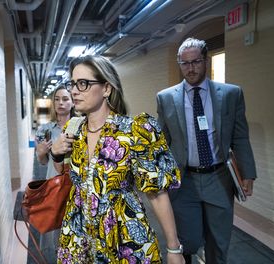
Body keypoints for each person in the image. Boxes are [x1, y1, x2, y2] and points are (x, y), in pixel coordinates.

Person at [50, 55, 185, 263]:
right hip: (78, 231)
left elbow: (157, 194)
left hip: (122, 234)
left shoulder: (134, 131)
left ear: (106, 88)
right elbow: (63, 172)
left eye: (83, 84)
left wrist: (174, 249)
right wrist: (56, 153)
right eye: (73, 84)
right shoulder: (73, 128)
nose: (74, 91)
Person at [156, 37, 257, 264]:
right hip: (185, 180)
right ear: (179, 64)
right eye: (185, 63)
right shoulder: (166, 97)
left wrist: (248, 172)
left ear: (206, 60)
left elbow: (240, 136)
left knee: (219, 242)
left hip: (219, 178)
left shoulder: (231, 94)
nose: (190, 69)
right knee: (188, 241)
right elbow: (162, 141)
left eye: (196, 62)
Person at [34, 85, 75, 263]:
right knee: (56, 229)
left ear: (73, 102)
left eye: (65, 99)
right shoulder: (45, 130)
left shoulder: (82, 126)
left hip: (77, 184)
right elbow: (42, 162)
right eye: (57, 99)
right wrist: (41, 153)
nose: (61, 103)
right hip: (54, 184)